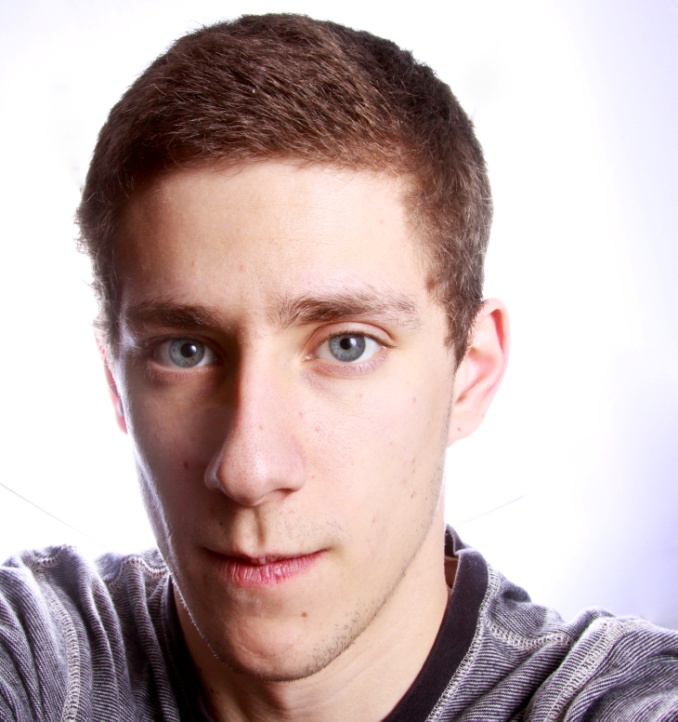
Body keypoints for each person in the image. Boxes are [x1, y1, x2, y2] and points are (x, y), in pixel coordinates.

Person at [1, 13, 677, 721]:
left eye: (347, 345)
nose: (250, 470)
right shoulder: (41, 660)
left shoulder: (612, 701)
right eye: (185, 351)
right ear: (116, 381)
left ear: (471, 373)